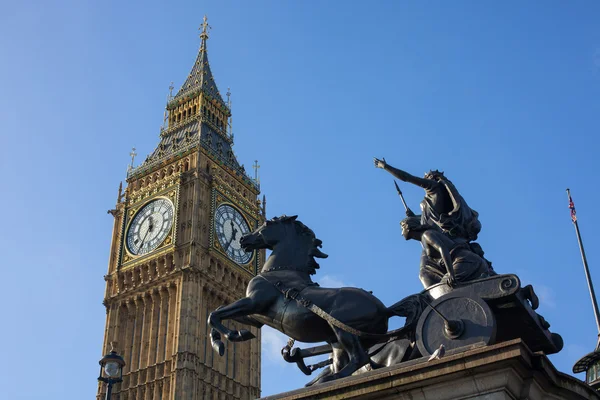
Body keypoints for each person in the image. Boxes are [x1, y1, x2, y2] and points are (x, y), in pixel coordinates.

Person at [400, 216, 491, 286]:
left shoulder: (427, 235)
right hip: (462, 260)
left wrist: (451, 273)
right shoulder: (425, 237)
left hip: (464, 260)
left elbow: (443, 249)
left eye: (402, 228)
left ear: (408, 227)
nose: (401, 233)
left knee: (444, 287)